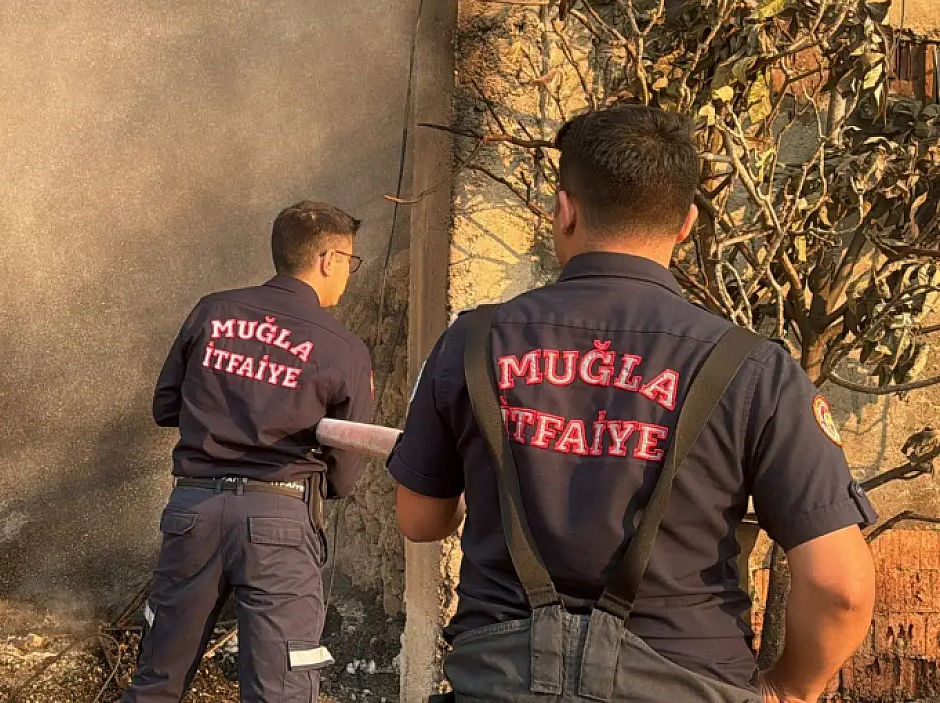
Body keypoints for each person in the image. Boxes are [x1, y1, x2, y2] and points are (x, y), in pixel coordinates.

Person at [387, 105, 877, 702]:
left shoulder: (472, 341)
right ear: (686, 223)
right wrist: (790, 689)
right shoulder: (753, 369)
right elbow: (840, 587)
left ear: (564, 211)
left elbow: (420, 520)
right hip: (689, 682)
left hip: (500, 683)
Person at [122, 200, 377, 703]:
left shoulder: (212, 311)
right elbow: (345, 474)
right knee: (279, 691)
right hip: (280, 520)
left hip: (193, 513)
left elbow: (165, 406)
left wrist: (226, 416)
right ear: (328, 259)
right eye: (350, 261)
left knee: (156, 685)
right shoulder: (343, 347)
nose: (349, 274)